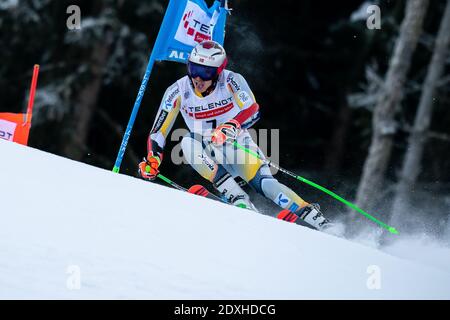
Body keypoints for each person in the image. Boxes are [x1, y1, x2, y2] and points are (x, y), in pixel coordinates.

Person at [139, 40, 331, 231]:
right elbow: (158, 132)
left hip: (235, 144)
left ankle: (316, 219)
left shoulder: (231, 80)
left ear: (218, 72)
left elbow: (252, 109)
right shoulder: (177, 90)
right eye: (193, 68)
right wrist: (153, 158)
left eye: (205, 72)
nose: (197, 78)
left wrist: (232, 125)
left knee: (268, 186)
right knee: (187, 141)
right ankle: (237, 198)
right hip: (206, 152)